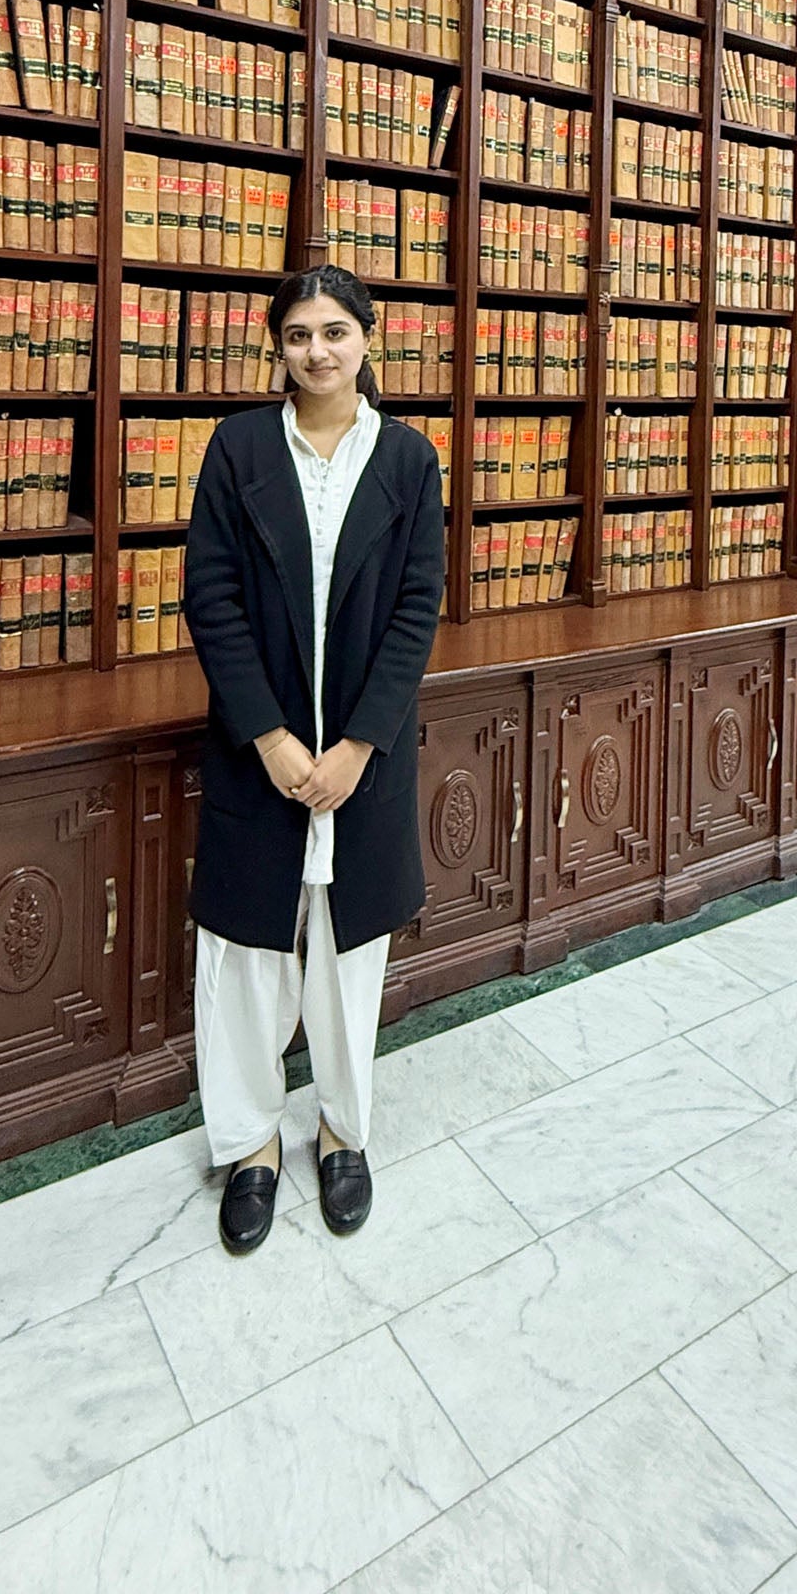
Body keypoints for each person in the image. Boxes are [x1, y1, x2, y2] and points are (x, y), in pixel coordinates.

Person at [182, 264, 445, 1253]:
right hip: (261, 751)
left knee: (347, 958)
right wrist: (274, 738)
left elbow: (418, 609)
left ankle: (341, 1132)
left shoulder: (409, 461)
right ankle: (251, 1146)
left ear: (366, 339)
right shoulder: (240, 449)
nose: (318, 351)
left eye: (336, 331)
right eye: (298, 334)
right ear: (278, 347)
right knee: (245, 956)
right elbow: (209, 597)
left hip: (362, 764)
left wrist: (358, 745)